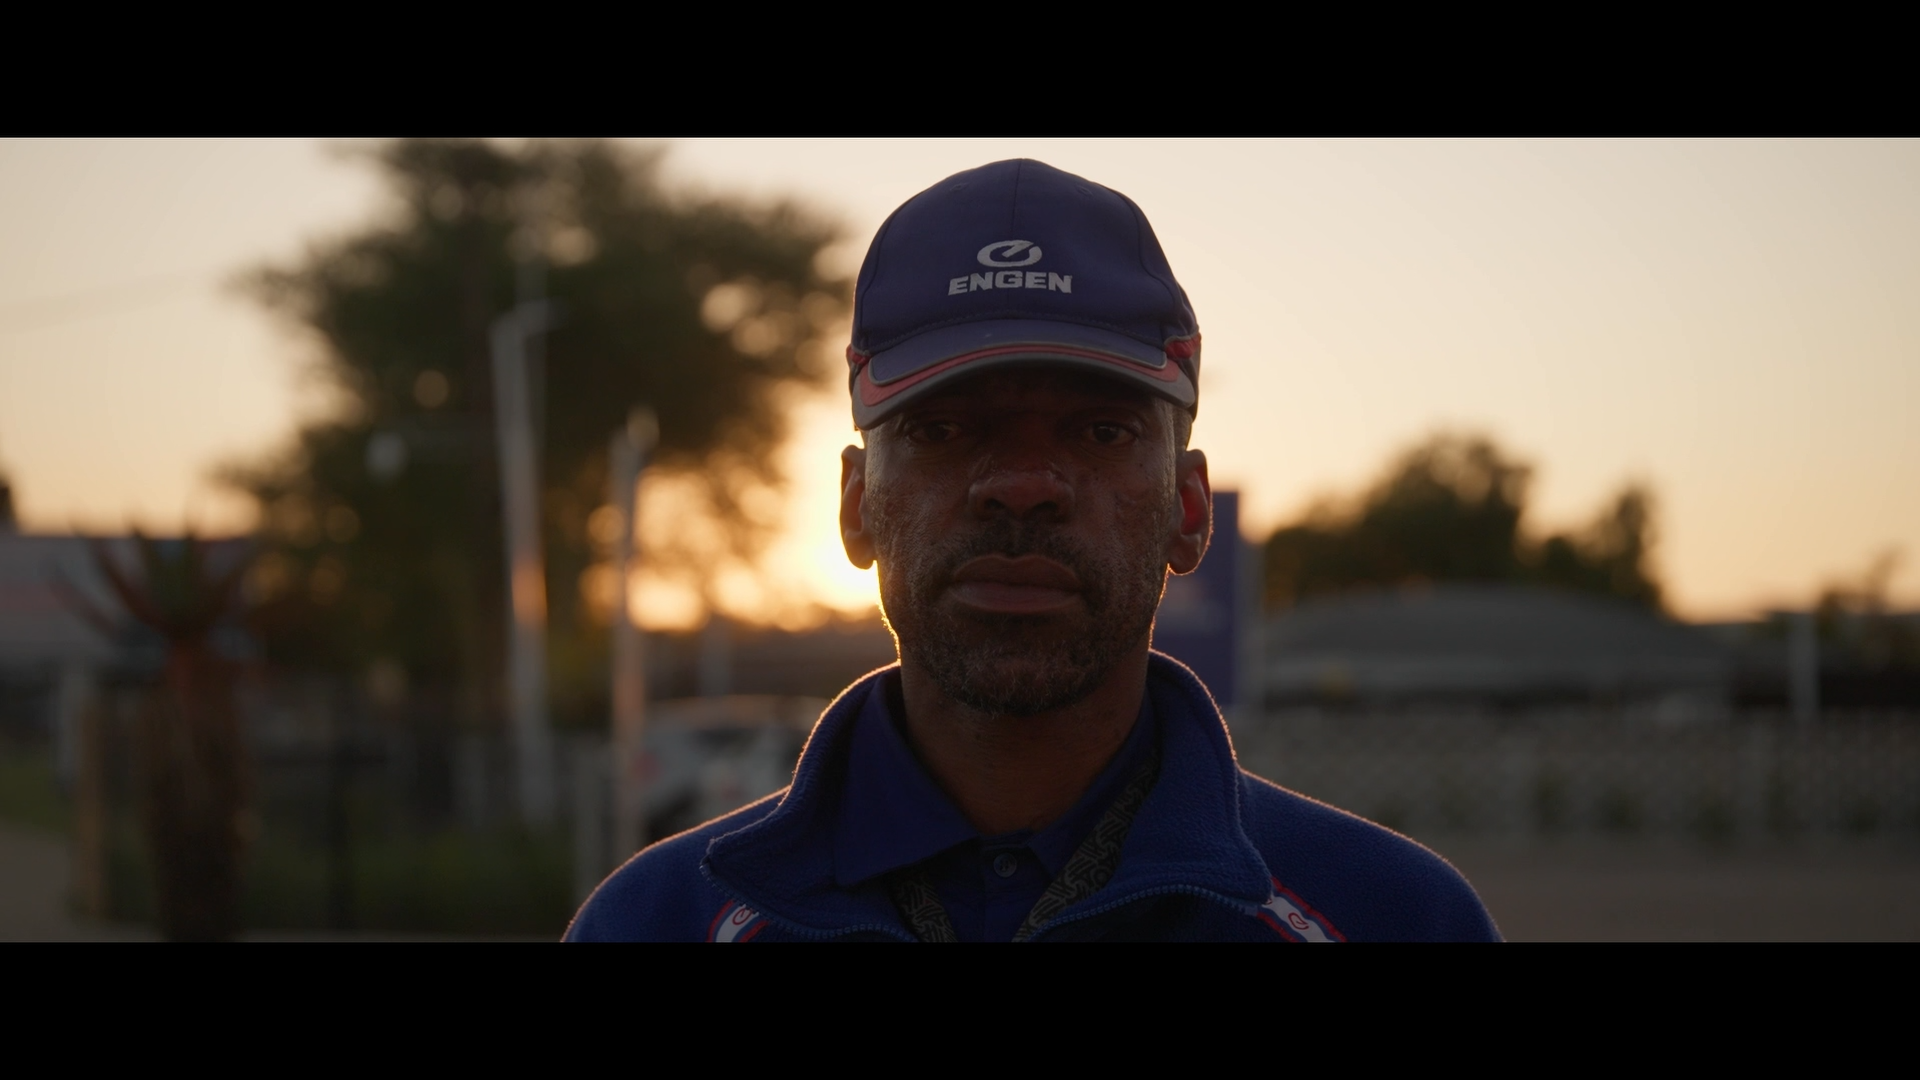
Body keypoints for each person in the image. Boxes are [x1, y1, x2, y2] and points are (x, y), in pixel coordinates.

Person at [565, 159, 1501, 942]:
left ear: (1187, 507)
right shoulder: (658, 923)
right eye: (941, 429)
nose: (1021, 483)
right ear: (855, 506)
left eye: (1098, 432)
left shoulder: (1394, 918)